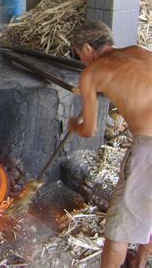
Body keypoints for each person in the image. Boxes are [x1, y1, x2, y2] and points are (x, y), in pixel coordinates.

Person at [68, 20, 152, 268]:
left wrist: (74, 124)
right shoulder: (140, 50)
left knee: (118, 229)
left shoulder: (92, 74)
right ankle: (140, 260)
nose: (81, 60)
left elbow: (89, 130)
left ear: (86, 48)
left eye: (78, 54)